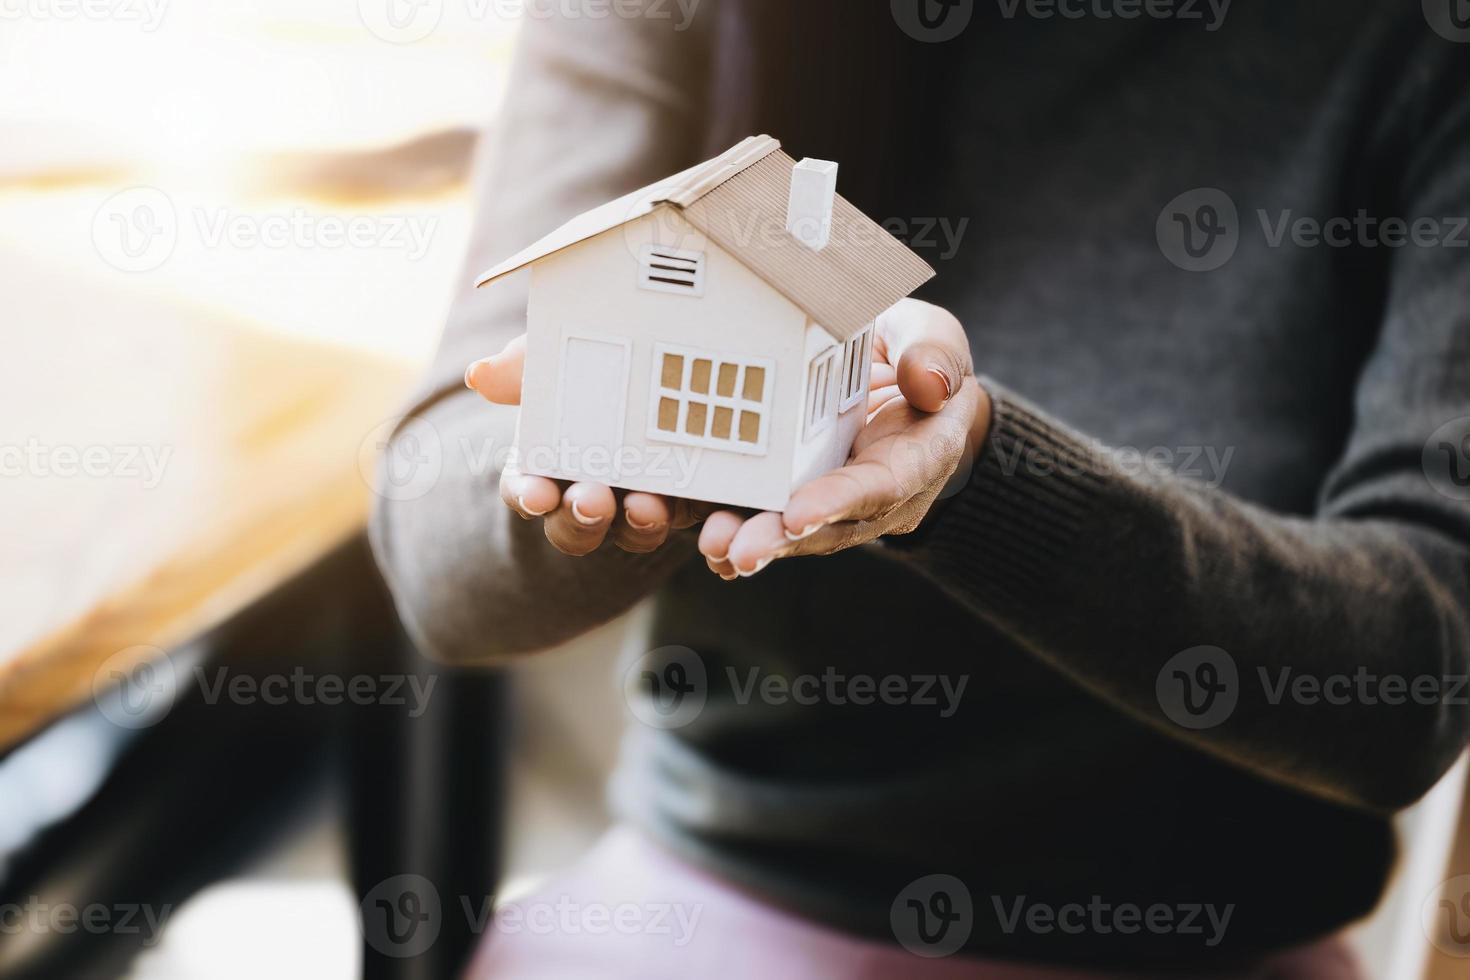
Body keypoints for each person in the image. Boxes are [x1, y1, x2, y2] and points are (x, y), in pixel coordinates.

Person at [370, 2, 1470, 975]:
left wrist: (981, 480)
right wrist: (635, 445)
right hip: (718, 890)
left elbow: (1414, 676)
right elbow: (440, 558)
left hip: (1200, 945)